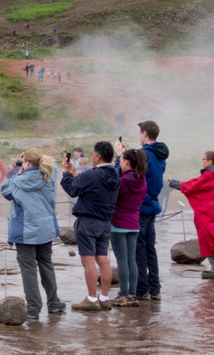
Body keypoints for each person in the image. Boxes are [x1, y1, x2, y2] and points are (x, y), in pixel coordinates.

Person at [1, 148, 63, 318]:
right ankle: (54, 303)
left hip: (25, 231)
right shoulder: (49, 176)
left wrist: (19, 171)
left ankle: (34, 309)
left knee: (28, 270)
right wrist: (36, 158)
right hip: (45, 229)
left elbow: (5, 190)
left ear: (27, 163)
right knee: (46, 265)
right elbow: (55, 166)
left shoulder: (18, 182)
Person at [60, 142, 120, 311]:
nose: (92, 156)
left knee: (88, 261)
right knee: (103, 259)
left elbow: (72, 189)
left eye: (93, 154)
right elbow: (90, 185)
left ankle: (92, 299)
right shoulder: (115, 174)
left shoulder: (92, 175)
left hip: (87, 222)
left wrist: (66, 173)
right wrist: (75, 173)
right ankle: (104, 297)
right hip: (105, 222)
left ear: (99, 156)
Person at [109, 148, 149, 307]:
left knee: (122, 260)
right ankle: (132, 294)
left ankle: (124, 294)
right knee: (131, 260)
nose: (120, 162)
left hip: (119, 222)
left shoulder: (124, 181)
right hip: (134, 222)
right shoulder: (142, 179)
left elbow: (114, 197)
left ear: (126, 161)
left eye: (121, 160)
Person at [135, 121, 169, 301]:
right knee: (150, 248)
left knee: (139, 249)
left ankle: (142, 289)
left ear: (145, 134)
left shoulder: (144, 154)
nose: (139, 136)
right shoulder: (160, 154)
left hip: (141, 206)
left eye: (140, 133)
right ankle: (154, 288)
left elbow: (131, 176)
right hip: (152, 205)